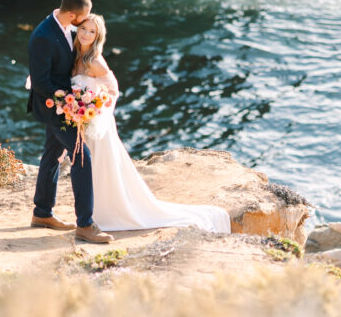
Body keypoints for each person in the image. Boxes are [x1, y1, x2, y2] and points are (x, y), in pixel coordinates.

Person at [72, 13, 231, 233]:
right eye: (84, 29)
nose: (86, 34)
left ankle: (106, 213)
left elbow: (113, 90)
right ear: (77, 29)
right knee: (88, 168)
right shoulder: (74, 57)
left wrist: (95, 111)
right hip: (82, 124)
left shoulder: (95, 61)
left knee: (102, 167)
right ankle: (89, 212)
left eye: (92, 32)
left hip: (98, 124)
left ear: (98, 36)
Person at [27, 0, 114, 244]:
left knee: (52, 155)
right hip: (55, 108)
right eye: (84, 18)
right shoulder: (43, 36)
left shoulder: (65, 27)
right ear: (73, 15)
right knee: (81, 157)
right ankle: (85, 225)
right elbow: (41, 82)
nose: (85, 24)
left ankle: (42, 213)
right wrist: (72, 103)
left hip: (65, 105)